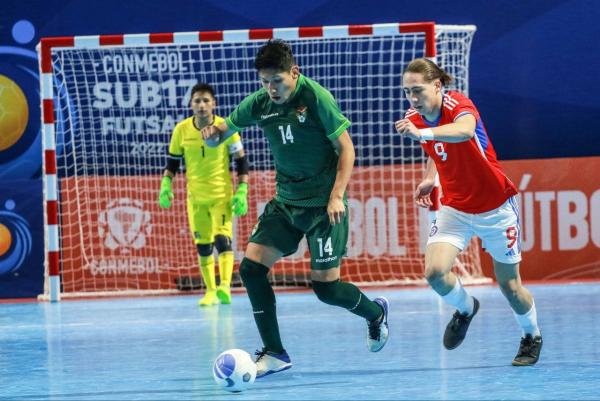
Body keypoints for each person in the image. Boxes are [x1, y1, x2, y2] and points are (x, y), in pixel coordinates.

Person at [201, 39, 390, 378]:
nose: (271, 88)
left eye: (277, 81)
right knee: (251, 269)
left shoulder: (316, 98)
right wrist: (212, 134)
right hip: (286, 202)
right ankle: (275, 353)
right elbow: (223, 130)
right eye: (265, 81)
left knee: (326, 289)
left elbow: (346, 148)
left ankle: (375, 314)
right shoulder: (259, 104)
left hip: (323, 206)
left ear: (294, 72)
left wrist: (336, 195)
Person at [395, 58, 542, 366]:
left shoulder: (458, 103)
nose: (412, 98)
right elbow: (439, 153)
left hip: (495, 207)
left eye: (417, 90)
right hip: (454, 207)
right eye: (407, 91)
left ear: (436, 85)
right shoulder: (415, 117)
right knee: (434, 273)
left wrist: (423, 135)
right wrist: (429, 178)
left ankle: (531, 336)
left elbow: (462, 132)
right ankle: (465, 308)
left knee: (510, 287)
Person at [158, 83, 249, 306]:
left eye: (206, 100)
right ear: (191, 104)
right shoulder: (181, 130)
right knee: (203, 245)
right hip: (196, 198)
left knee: (223, 240)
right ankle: (210, 291)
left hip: (222, 196)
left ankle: (225, 287)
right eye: (197, 100)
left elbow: (241, 161)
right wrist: (166, 184)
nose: (201, 105)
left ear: (214, 104)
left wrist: (242, 190)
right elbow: (173, 162)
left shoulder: (225, 127)